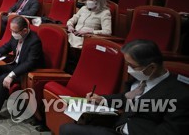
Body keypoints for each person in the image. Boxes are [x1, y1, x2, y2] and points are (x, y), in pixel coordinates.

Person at [60, 39, 189, 135]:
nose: (129, 70)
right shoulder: (142, 77)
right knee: (67, 128)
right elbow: (125, 97)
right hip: (117, 127)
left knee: (69, 130)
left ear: (152, 67)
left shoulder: (179, 95)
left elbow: (170, 131)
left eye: (132, 66)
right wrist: (102, 100)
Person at [0, 16, 45, 117]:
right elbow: (7, 46)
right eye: (11, 30)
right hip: (16, 65)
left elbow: (30, 63)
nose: (12, 33)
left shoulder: (34, 41)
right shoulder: (16, 35)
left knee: (3, 78)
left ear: (24, 30)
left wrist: (11, 75)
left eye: (15, 31)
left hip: (26, 72)